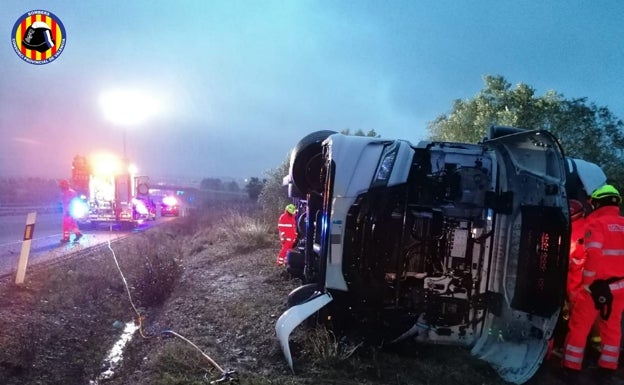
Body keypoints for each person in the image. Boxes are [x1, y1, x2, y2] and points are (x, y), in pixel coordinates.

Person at [562, 184, 624, 380]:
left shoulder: (595, 225)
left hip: (595, 287)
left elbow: (594, 254)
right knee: (612, 326)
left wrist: (588, 282)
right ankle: (607, 368)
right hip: (620, 287)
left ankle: (571, 368)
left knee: (580, 326)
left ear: (597, 203)